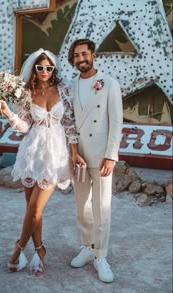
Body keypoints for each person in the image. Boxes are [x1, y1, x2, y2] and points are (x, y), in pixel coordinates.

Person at [0, 48, 85, 276]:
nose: (45, 71)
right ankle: (39, 250)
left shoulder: (63, 89)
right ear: (34, 69)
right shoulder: (27, 92)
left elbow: (69, 123)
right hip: (31, 152)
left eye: (49, 68)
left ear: (53, 69)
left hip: (55, 154)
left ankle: (17, 250)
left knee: (36, 208)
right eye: (40, 67)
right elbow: (25, 127)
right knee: (31, 210)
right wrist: (8, 112)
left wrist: (74, 152)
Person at [68, 39, 123, 283]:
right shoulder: (69, 86)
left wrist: (111, 155)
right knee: (82, 207)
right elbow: (68, 120)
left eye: (84, 54)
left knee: (102, 207)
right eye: (77, 55)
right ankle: (88, 247)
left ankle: (100, 255)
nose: (81, 59)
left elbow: (116, 122)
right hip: (78, 156)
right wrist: (72, 151)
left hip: (101, 157)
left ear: (93, 55)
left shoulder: (110, 84)